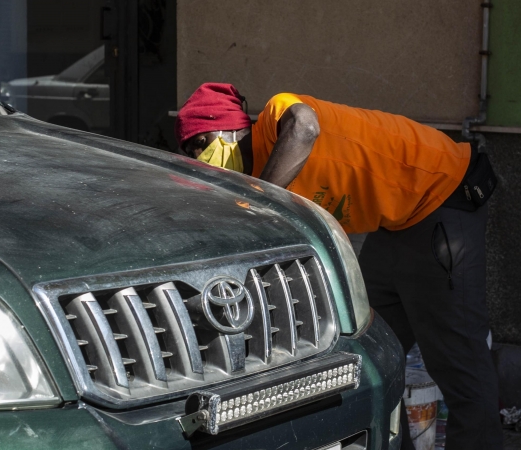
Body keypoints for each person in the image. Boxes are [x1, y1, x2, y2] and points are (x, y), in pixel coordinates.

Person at [175, 82, 502, 450]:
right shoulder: (257, 182)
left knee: (461, 367)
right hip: (395, 223)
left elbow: (305, 127)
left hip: (442, 196)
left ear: (230, 129)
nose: (198, 157)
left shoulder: (276, 119)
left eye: (199, 144)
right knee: (374, 355)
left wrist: (260, 206)